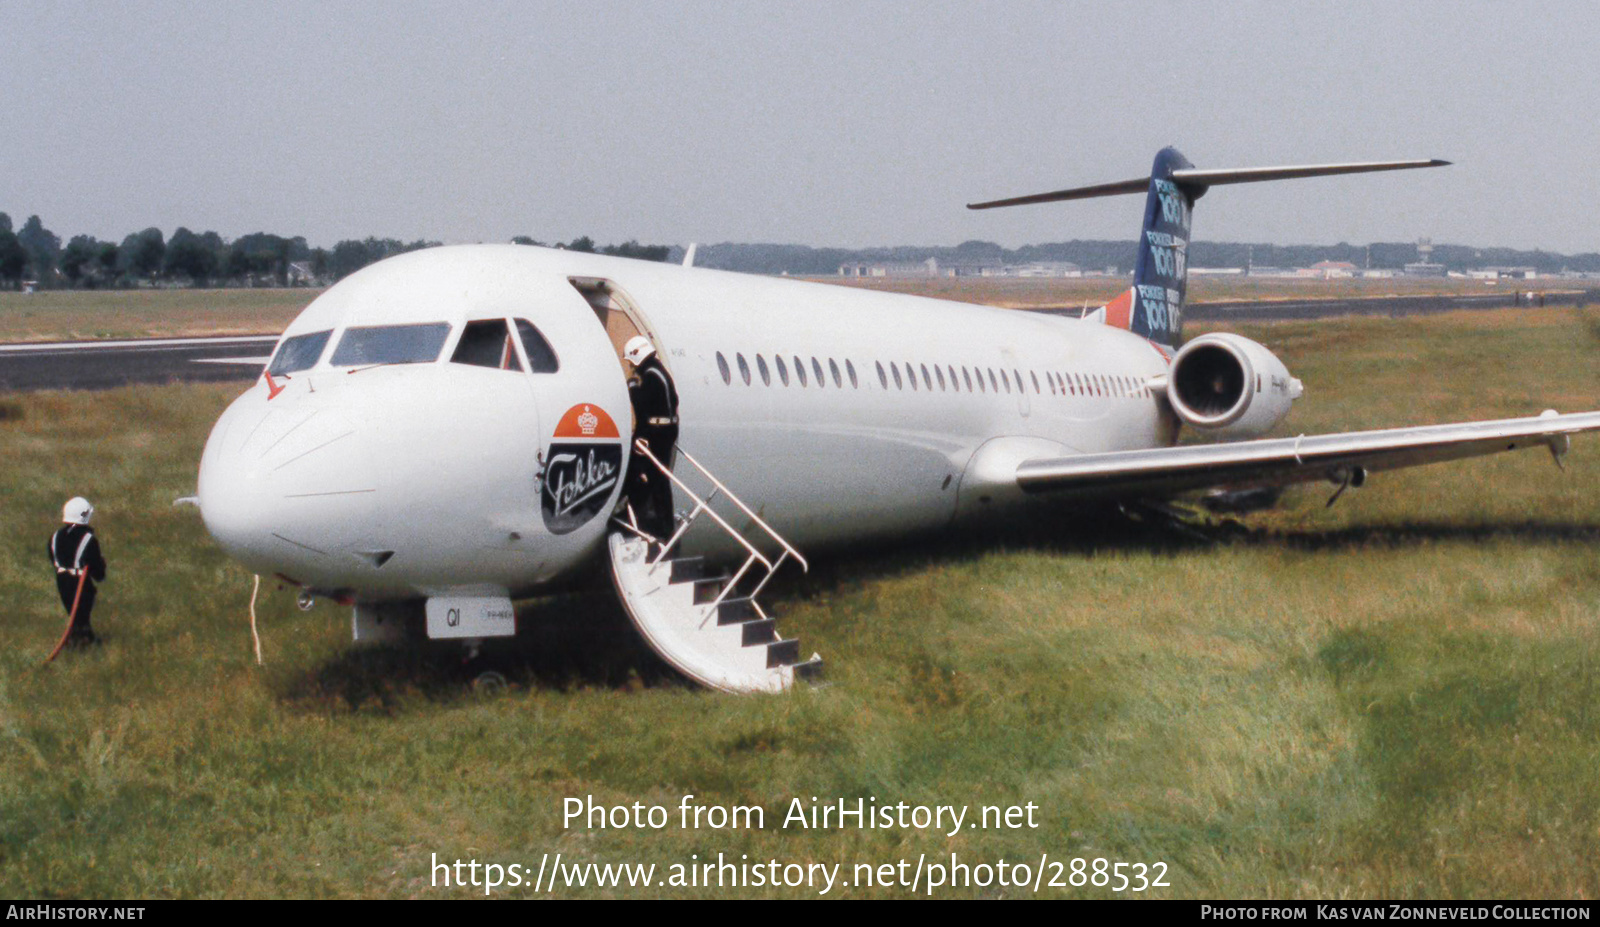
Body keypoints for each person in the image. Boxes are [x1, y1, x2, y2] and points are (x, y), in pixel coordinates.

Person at [622, 336, 680, 540]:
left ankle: (639, 516)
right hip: (668, 430)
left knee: (637, 471)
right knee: (659, 478)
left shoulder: (650, 376)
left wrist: (631, 388)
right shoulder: (661, 373)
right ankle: (660, 522)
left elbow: (642, 405)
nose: (630, 365)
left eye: (630, 361)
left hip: (655, 432)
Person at [48, 497, 107, 647]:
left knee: (74, 610)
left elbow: (53, 559)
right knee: (82, 610)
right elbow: (97, 570)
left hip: (61, 581)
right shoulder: (88, 539)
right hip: (80, 583)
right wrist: (101, 569)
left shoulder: (55, 537)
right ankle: (82, 638)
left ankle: (80, 636)